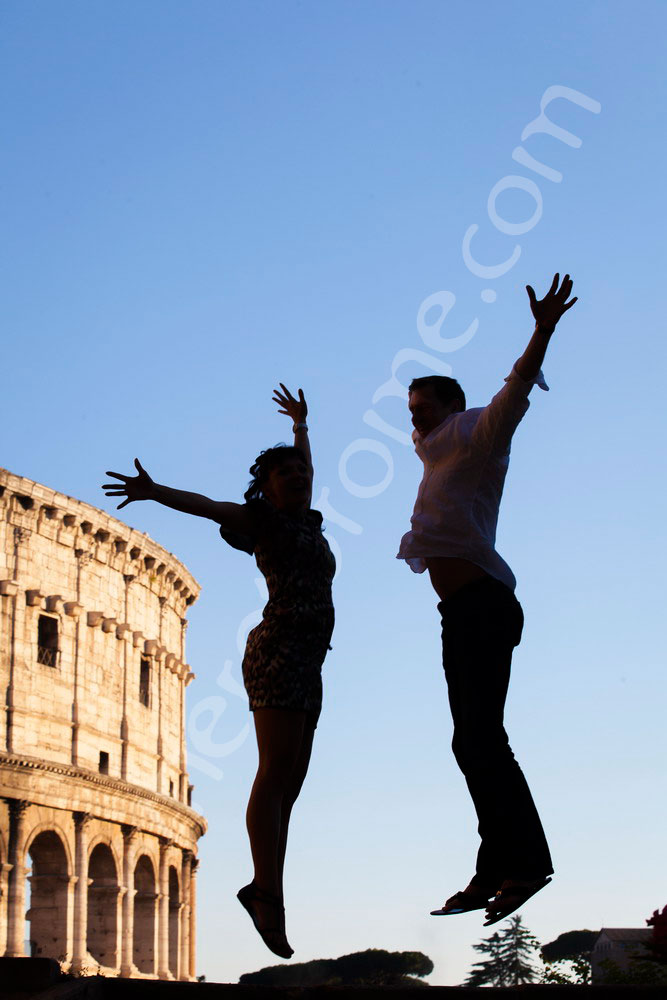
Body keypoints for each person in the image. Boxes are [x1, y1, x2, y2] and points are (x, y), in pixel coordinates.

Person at [102, 384, 335, 958]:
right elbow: (208, 506)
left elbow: (308, 467)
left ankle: (266, 891)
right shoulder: (267, 524)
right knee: (275, 771)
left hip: (310, 657)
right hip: (279, 650)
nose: (298, 479)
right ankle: (267, 894)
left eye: (300, 475)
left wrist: (302, 428)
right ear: (267, 490)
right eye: (284, 477)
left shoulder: (309, 523)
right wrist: (154, 492)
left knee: (292, 784)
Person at [397, 274, 577, 925]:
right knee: (470, 741)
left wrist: (541, 330)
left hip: (482, 605)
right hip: (460, 612)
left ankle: (522, 865)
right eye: (408, 412)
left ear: (449, 406)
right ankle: (493, 868)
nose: (412, 421)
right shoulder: (435, 455)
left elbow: (515, 391)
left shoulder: (477, 434)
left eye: (420, 410)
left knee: (480, 739)